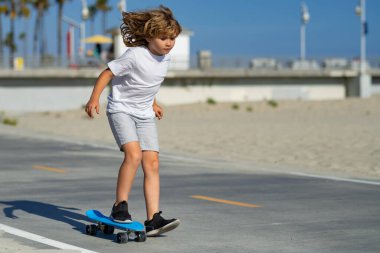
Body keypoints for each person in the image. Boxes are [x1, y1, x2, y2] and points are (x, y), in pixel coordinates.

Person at [85, 5, 181, 237]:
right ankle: (120, 207)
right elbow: (108, 72)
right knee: (134, 155)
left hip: (145, 113)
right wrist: (94, 98)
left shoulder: (164, 59)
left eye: (172, 38)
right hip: (121, 110)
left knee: (153, 162)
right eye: (163, 38)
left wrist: (154, 102)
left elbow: (147, 84)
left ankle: (153, 219)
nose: (169, 43)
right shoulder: (136, 55)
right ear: (149, 37)